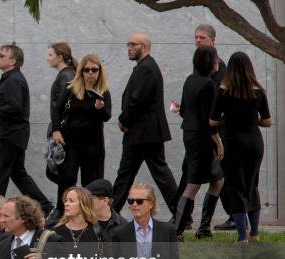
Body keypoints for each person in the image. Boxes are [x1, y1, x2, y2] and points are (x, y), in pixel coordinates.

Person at [0, 43, 53, 216]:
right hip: (13, 136)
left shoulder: (13, 80)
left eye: (2, 55)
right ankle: (45, 207)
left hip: (9, 136)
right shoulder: (12, 79)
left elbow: (14, 108)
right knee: (18, 174)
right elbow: (11, 106)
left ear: (12, 61)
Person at [112, 33, 178, 217]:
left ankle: (109, 216)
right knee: (134, 174)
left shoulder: (146, 68)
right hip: (144, 132)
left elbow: (136, 101)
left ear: (145, 47)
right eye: (128, 44)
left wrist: (123, 120)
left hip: (142, 133)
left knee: (130, 174)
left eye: (133, 44)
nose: (129, 48)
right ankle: (110, 215)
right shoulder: (145, 67)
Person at [172, 24, 230, 231]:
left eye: (201, 37)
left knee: (217, 179)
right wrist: (219, 143)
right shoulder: (207, 84)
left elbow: (187, 111)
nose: (197, 40)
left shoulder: (190, 79)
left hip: (191, 134)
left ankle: (202, 226)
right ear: (209, 62)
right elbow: (210, 119)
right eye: (195, 37)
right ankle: (179, 228)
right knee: (194, 183)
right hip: (203, 137)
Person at [209, 52, 272, 243]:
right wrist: (254, 121)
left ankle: (242, 236)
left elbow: (213, 120)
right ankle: (254, 233)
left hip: (232, 141)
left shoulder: (223, 91)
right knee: (252, 184)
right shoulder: (258, 91)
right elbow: (268, 122)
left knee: (235, 186)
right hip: (254, 141)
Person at [50, 53, 111, 224]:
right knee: (67, 179)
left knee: (91, 182)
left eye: (94, 70)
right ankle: (62, 212)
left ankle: (89, 216)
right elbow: (57, 109)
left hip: (93, 144)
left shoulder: (103, 90)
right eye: (87, 70)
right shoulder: (72, 88)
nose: (90, 73)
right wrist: (56, 130)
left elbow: (107, 116)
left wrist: (100, 108)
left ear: (99, 71)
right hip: (71, 142)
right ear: (81, 71)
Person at [45, 43, 76, 225]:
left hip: (62, 133)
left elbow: (64, 106)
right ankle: (61, 206)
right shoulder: (65, 75)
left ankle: (62, 208)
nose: (48, 57)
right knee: (58, 171)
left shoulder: (67, 76)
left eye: (50, 54)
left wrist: (58, 129)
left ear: (60, 56)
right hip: (59, 131)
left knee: (62, 172)